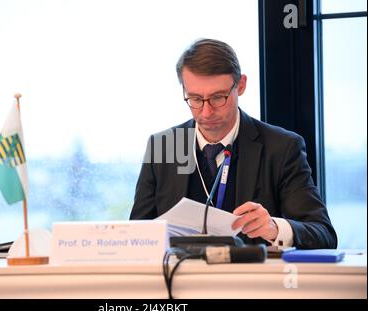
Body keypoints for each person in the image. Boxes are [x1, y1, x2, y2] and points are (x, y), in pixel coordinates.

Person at [130, 38, 337, 249]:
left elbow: (323, 234)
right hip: (178, 279)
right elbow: (134, 237)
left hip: (250, 280)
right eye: (195, 99)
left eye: (218, 98)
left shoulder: (282, 148)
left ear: (241, 85)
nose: (206, 111)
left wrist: (274, 227)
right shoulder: (165, 146)